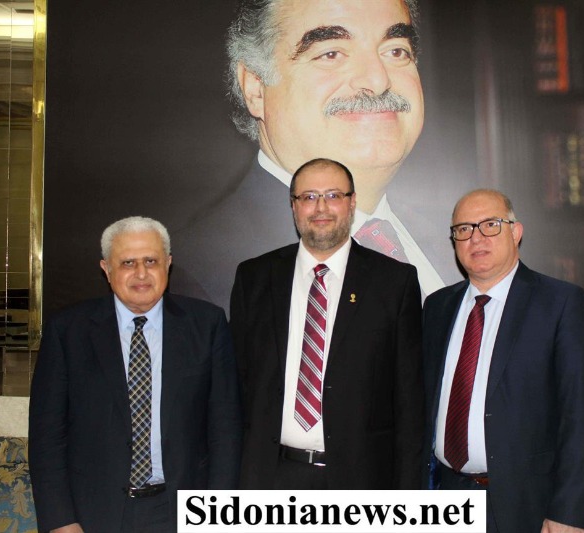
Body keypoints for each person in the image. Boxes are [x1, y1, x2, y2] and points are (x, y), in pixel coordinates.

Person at [169, 0, 447, 309]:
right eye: (331, 54)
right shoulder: (190, 283)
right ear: (255, 89)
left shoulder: (457, 241)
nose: (377, 80)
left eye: (396, 51)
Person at [28, 216, 242, 533]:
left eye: (151, 261)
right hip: (94, 512)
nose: (141, 273)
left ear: (168, 264)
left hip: (183, 510)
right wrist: (61, 520)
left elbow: (225, 428)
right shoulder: (67, 331)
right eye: (127, 262)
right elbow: (47, 436)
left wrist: (217, 514)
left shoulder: (207, 325)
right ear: (106, 269)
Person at [230, 158, 423, 489]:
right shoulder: (254, 277)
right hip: (270, 478)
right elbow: (235, 384)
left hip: (361, 481)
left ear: (352, 203)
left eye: (333, 195)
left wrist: (407, 496)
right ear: (293, 206)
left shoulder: (394, 282)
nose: (321, 208)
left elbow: (410, 401)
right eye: (308, 197)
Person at [422, 190, 584, 532]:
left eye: (490, 225)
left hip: (530, 507)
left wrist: (568, 513)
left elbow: (582, 417)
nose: (476, 238)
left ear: (516, 232)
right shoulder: (437, 307)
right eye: (464, 229)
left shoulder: (562, 303)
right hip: (446, 498)